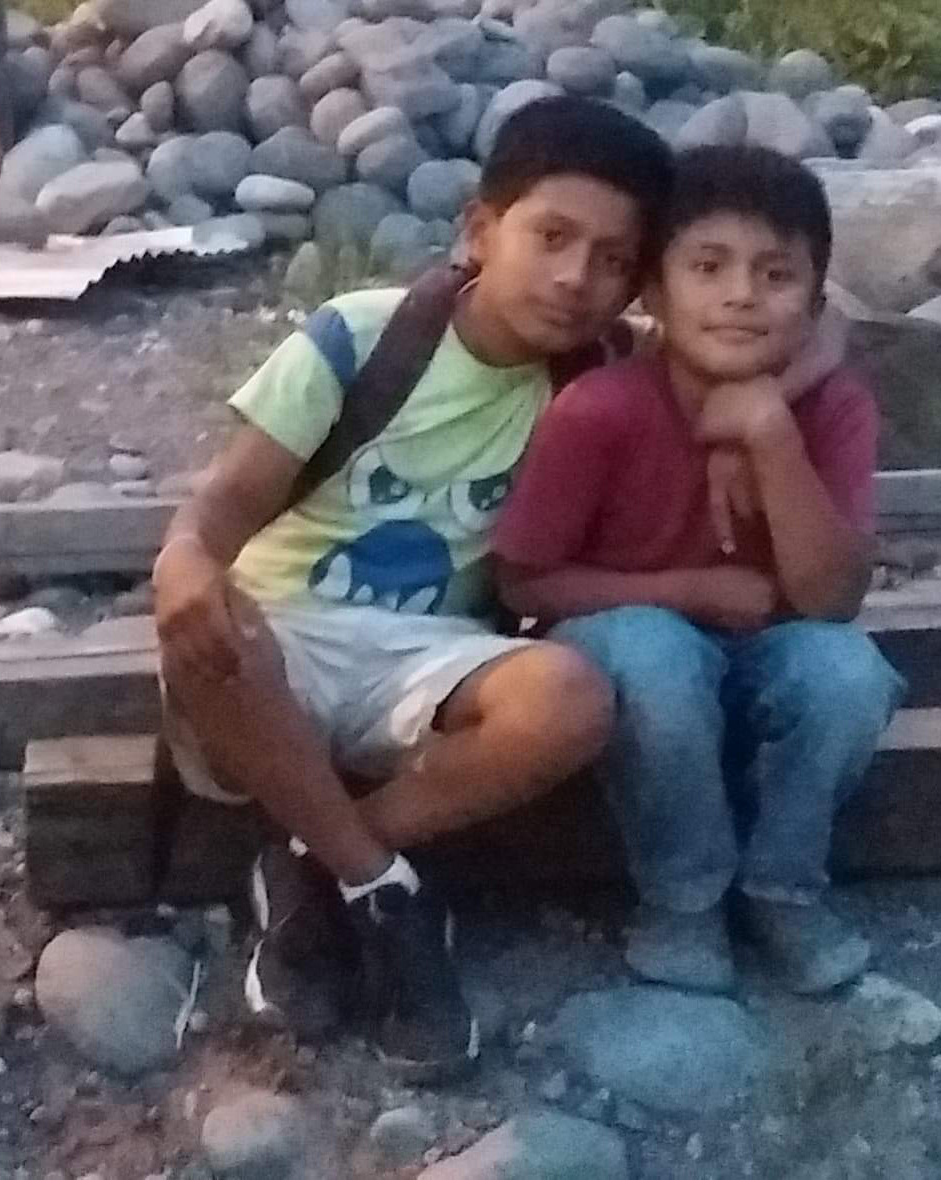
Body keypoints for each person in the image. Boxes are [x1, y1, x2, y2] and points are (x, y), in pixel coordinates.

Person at [154, 95, 672, 1078]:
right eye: (550, 237)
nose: (575, 278)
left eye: (612, 260)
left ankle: (318, 865)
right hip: (282, 641)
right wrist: (181, 561)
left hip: (433, 661)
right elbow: (219, 512)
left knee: (571, 698)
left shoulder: (601, 378)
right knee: (215, 622)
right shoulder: (361, 335)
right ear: (478, 229)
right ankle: (390, 894)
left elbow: (762, 332)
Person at [493, 145, 902, 997]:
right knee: (652, 653)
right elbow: (523, 584)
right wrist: (688, 591)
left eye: (776, 274)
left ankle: (783, 889)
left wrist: (769, 430)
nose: (742, 295)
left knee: (851, 675)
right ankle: (683, 901)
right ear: (653, 293)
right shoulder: (599, 411)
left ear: (814, 302)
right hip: (629, 664)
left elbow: (832, 602)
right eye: (708, 267)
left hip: (767, 655)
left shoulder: (835, 408)